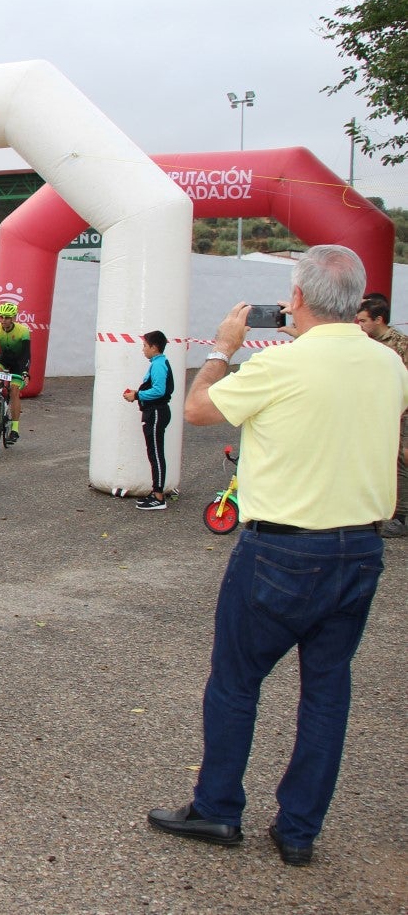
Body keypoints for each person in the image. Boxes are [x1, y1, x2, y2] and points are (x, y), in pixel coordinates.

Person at [146, 246, 408, 868]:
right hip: (360, 544)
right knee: (326, 689)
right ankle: (298, 830)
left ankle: (217, 807)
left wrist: (221, 350)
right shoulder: (390, 364)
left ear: (296, 298)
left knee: (236, 681)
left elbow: (198, 409)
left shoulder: (278, 365)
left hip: (282, 547)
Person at [355, 293, 408, 537]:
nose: (359, 325)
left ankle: (401, 517)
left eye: (363, 321)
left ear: (378, 320)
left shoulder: (400, 344)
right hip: (372, 412)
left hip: (399, 414)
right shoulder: (365, 343)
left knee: (400, 463)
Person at [122, 329, 173, 510]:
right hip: (154, 411)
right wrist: (137, 393)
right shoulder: (157, 363)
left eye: (145, 346)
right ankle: (155, 492)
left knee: (156, 453)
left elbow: (159, 390)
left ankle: (158, 497)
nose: (143, 349)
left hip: (156, 412)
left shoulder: (158, 365)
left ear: (154, 347)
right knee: (153, 452)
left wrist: (137, 395)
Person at [0, 301, 30, 444]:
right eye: (1, 317)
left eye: (7, 317)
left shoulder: (23, 331)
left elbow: (26, 354)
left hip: (18, 363)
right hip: (3, 359)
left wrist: (25, 372)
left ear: (14, 317)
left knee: (14, 391)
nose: (3, 320)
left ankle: (15, 430)